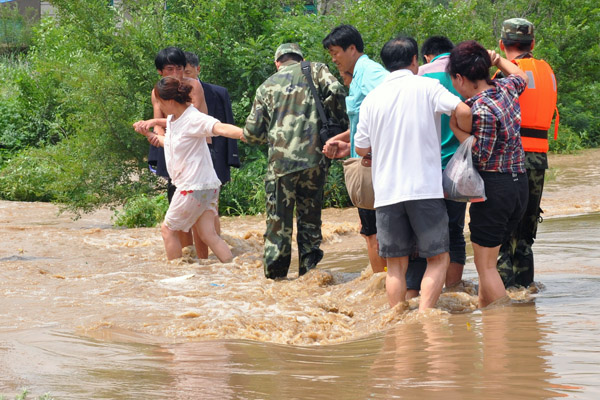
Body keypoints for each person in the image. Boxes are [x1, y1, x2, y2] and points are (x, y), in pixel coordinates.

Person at [354, 36, 473, 311]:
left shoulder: (372, 98)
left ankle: (398, 322)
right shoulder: (427, 87)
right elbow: (463, 108)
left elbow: (361, 148)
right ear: (414, 61)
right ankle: (425, 317)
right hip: (424, 190)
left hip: (386, 194)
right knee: (438, 258)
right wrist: (463, 135)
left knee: (395, 267)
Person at [243, 43, 348, 279]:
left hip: (281, 166)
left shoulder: (265, 86)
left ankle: (276, 279)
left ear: (277, 62)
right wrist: (339, 126)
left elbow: (252, 133)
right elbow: (337, 92)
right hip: (315, 159)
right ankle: (310, 275)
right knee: (310, 220)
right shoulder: (316, 69)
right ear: (300, 58)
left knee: (278, 224)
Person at [447, 40, 530, 308]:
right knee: (490, 262)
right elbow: (520, 76)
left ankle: (501, 328)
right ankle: (489, 316)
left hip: (495, 190)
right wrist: (497, 61)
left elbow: (481, 156)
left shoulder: (478, 108)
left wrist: (457, 130)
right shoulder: (505, 88)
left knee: (486, 267)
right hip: (519, 185)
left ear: (460, 78)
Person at [133, 77, 244, 262]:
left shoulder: (193, 117)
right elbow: (171, 144)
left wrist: (245, 134)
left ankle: (178, 274)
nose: (159, 107)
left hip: (192, 187)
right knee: (209, 235)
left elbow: (220, 128)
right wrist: (149, 134)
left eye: (159, 102)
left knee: (168, 230)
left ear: (168, 101)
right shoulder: (173, 120)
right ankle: (232, 268)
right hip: (206, 186)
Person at [495, 18, 559, 288]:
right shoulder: (548, 71)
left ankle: (503, 302)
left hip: (510, 159)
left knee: (502, 235)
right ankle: (527, 300)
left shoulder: (506, 75)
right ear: (532, 44)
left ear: (501, 44)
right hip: (538, 160)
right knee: (525, 236)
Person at [322, 24, 389, 274]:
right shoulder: (360, 73)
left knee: (373, 233)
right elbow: (363, 122)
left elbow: (392, 102)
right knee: (373, 231)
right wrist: (345, 142)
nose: (334, 59)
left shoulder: (369, 72)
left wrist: (370, 149)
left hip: (373, 166)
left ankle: (384, 289)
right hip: (367, 161)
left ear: (352, 49)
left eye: (336, 52)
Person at [405, 36, 468, 299]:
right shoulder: (463, 74)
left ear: (426, 56)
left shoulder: (418, 76)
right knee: (454, 231)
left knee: (421, 235)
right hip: (458, 168)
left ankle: (416, 297)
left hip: (424, 169)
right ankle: (453, 293)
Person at [146, 47, 209, 252]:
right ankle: (187, 256)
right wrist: (158, 137)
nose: (175, 74)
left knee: (201, 212)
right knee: (177, 205)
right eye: (169, 69)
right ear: (160, 72)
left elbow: (191, 119)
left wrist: (160, 127)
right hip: (173, 149)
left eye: (179, 69)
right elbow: (159, 124)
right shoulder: (157, 92)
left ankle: (205, 260)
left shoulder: (192, 86)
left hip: (198, 150)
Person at [183, 51, 241, 258]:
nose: (185, 77)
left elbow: (227, 125)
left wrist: (230, 159)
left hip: (214, 155)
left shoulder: (217, 92)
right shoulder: (171, 93)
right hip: (184, 160)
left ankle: (212, 254)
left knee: (211, 207)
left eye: (188, 72)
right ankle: (190, 255)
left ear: (198, 69)